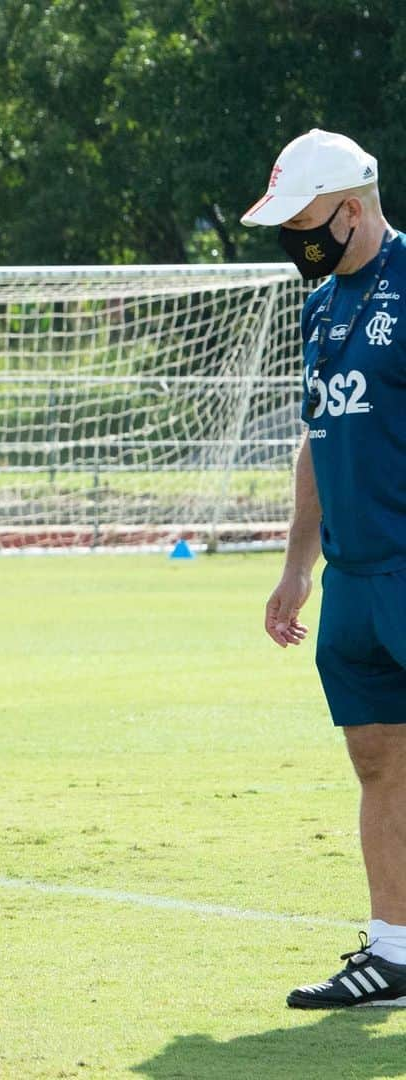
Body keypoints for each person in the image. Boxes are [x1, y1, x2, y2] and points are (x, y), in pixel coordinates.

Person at [243, 128, 406, 1007]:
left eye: (302, 222)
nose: (294, 241)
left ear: (351, 209)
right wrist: (296, 566)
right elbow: (320, 437)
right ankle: (393, 953)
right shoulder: (320, 307)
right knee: (379, 758)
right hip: (351, 579)